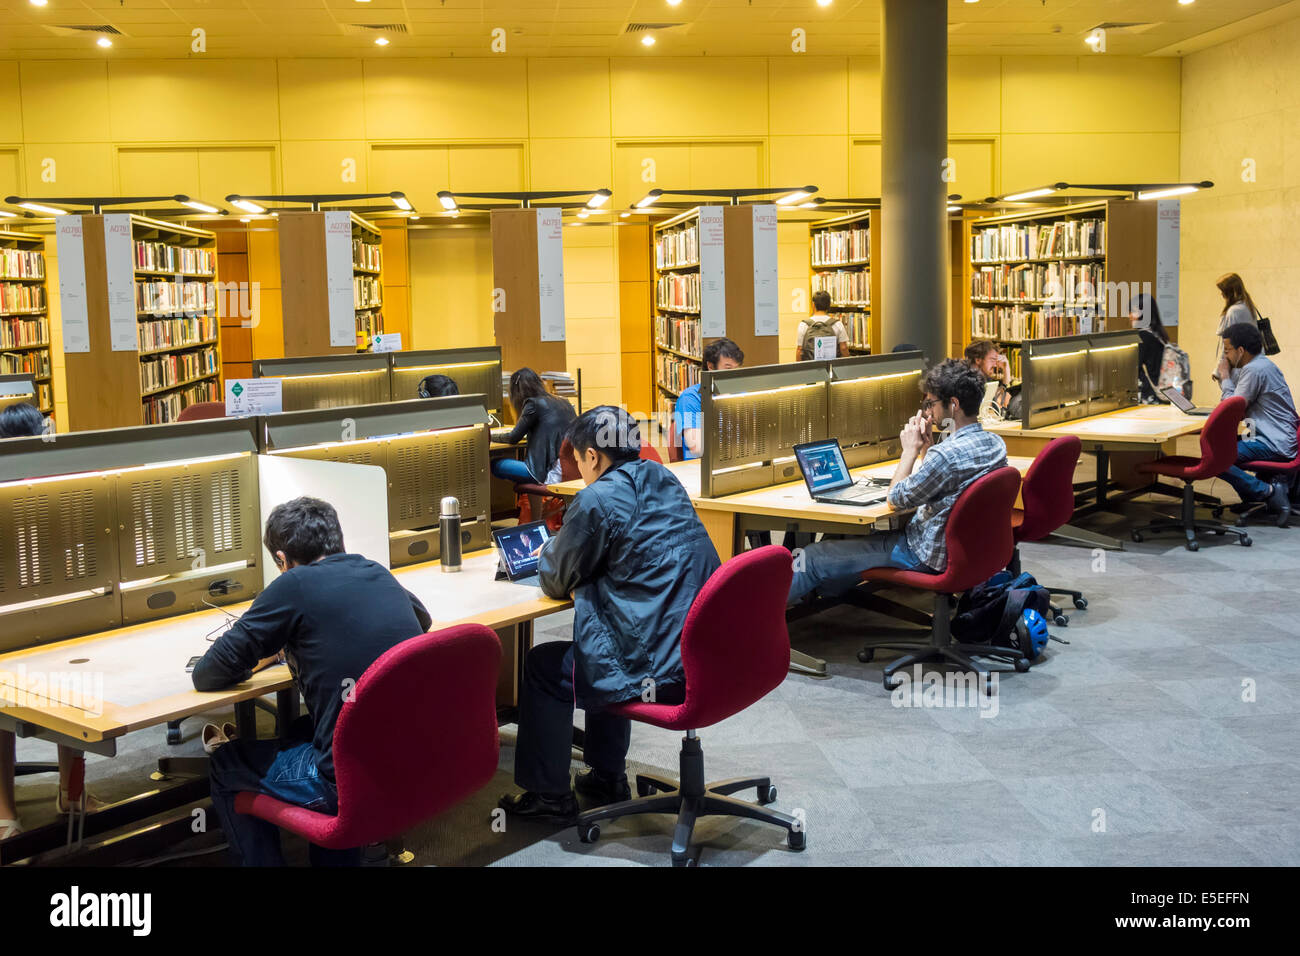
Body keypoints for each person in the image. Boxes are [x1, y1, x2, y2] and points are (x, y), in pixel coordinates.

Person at [499, 406, 720, 823]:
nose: (578, 470)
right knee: (600, 634)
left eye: (578, 460)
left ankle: (548, 795)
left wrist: (549, 547)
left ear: (593, 457)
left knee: (545, 666)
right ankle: (606, 775)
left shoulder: (597, 498)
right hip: (699, 652)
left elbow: (553, 579)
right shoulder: (664, 478)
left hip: (656, 666)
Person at [193, 496, 432, 866]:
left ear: (281, 559)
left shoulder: (294, 585)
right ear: (338, 541)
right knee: (303, 728)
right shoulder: (375, 571)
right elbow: (423, 622)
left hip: (345, 780)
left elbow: (208, 672)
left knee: (228, 763)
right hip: (415, 760)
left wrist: (266, 654)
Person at [788, 359, 1007, 603]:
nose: (928, 412)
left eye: (931, 404)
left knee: (812, 556)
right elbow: (944, 482)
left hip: (921, 553)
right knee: (838, 542)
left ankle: (756, 622)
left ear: (953, 405)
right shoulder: (995, 444)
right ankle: (828, 601)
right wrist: (927, 448)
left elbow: (896, 498)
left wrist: (909, 452)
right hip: (967, 551)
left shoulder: (946, 456)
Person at [0, 402, 101, 841]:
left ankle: (69, 795)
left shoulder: (60, 483)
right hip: (10, 615)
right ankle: (8, 812)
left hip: (57, 605)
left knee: (70, 691)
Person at [1214, 323, 1298, 522]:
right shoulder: (1264, 364)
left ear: (1241, 351)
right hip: (1275, 436)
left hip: (1272, 442)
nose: (1225, 356)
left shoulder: (1254, 370)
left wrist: (1225, 376)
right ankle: (1258, 493)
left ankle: (1266, 492)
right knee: (1224, 447)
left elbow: (1231, 409)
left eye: (1227, 350)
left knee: (1216, 458)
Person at [490, 368, 577, 485]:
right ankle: (534, 504)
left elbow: (513, 438)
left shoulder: (533, 404)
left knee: (495, 465)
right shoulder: (564, 402)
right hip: (571, 469)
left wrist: (490, 436)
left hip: (548, 472)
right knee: (523, 464)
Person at [674, 337, 743, 460]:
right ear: (711, 366)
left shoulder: (741, 393)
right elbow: (697, 448)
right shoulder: (690, 398)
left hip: (736, 460)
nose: (734, 375)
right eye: (728, 369)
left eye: (736, 369)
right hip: (701, 467)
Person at [1130, 292, 1171, 403]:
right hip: (1165, 392)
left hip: (1152, 395)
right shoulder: (1159, 334)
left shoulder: (1143, 336)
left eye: (1134, 311)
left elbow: (1134, 367)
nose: (1130, 316)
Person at [1214, 272, 1260, 369]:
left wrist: (1219, 370)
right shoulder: (1248, 307)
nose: (1221, 294)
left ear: (1229, 292)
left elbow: (1228, 344)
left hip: (1236, 368)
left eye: (1223, 291)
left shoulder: (1234, 311)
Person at [964, 340, 1019, 420]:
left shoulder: (985, 380)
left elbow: (1002, 408)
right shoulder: (963, 383)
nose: (995, 364)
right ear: (978, 360)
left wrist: (1006, 371)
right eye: (992, 360)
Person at [795, 291, 851, 361]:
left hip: (810, 367)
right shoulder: (837, 324)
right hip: (831, 367)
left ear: (813, 305)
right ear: (829, 305)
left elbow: (799, 350)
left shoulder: (804, 325)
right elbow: (843, 348)